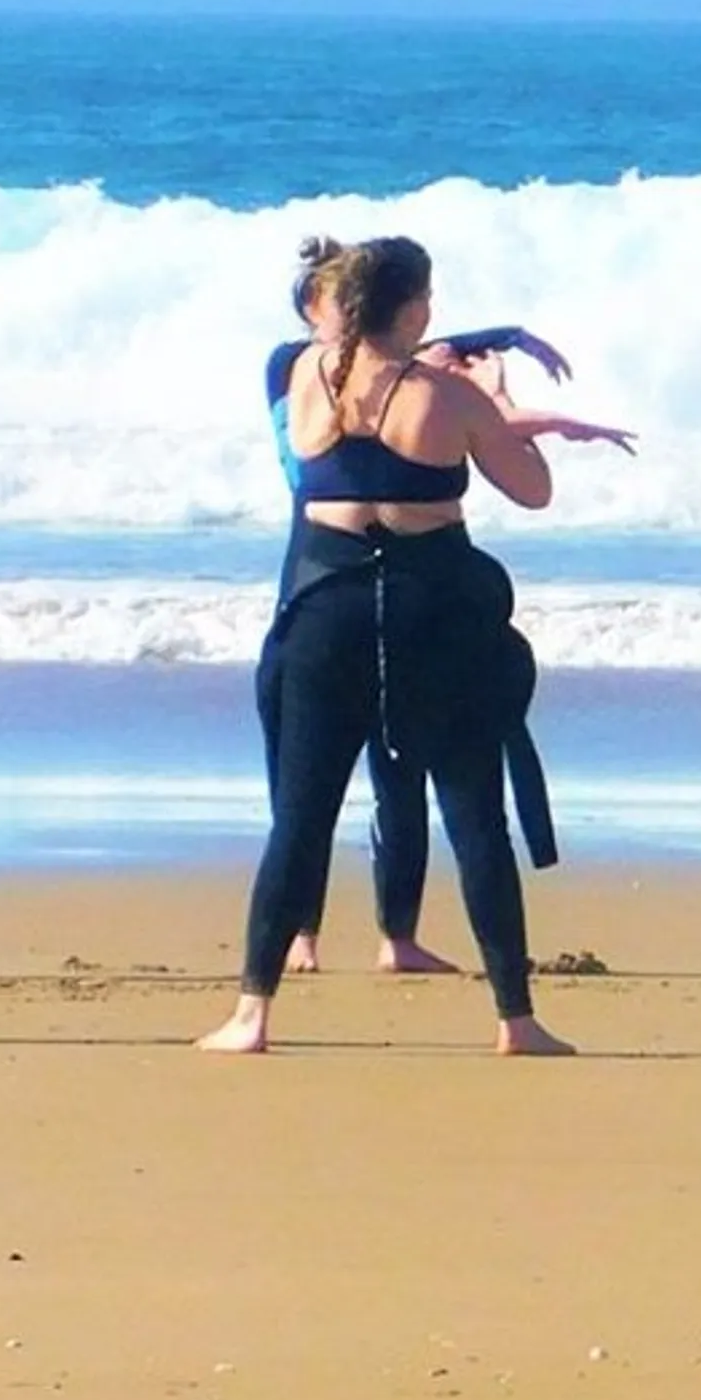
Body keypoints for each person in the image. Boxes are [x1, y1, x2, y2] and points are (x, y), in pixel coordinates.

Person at [200, 236, 628, 1059]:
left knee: (301, 817)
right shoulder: (446, 394)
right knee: (473, 810)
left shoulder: (305, 374)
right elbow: (533, 490)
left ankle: (252, 1014)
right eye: (427, 296)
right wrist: (496, 398)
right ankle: (515, 1019)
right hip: (432, 609)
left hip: (326, 608)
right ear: (413, 305)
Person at [255, 274, 576, 978]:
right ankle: (302, 933)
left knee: (396, 777)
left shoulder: (356, 377)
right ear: (311, 309)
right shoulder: (295, 367)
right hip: (322, 585)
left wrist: (511, 337)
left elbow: (430, 357)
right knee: (304, 790)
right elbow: (440, 406)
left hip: (342, 590)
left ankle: (395, 935)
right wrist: (506, 408)